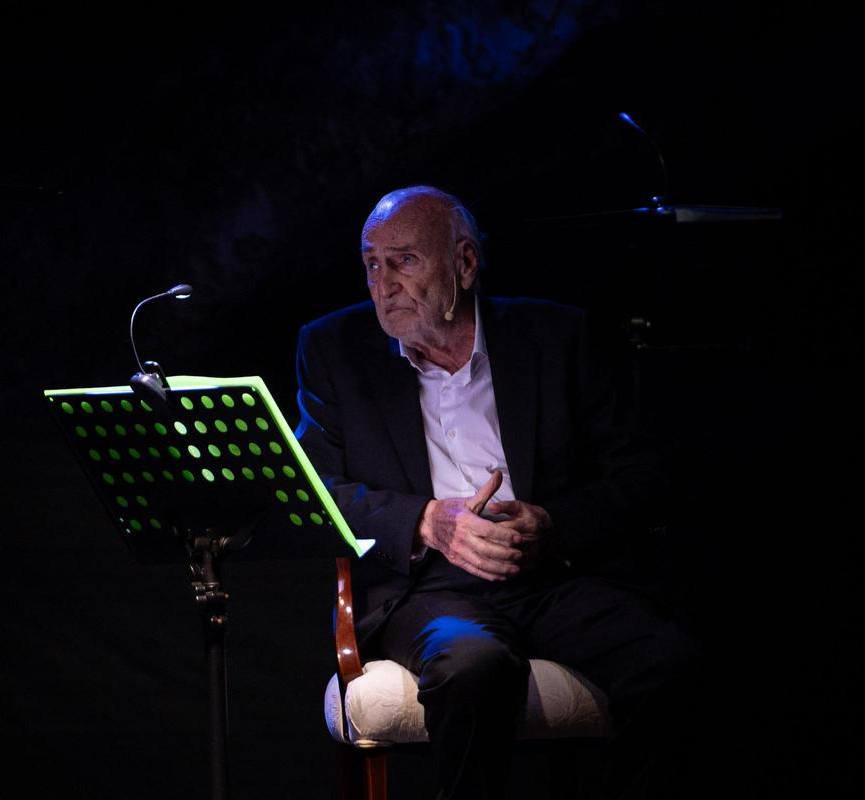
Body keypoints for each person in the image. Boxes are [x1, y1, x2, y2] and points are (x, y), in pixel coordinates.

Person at [295, 186, 698, 799]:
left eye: (404, 261)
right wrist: (428, 521)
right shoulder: (333, 348)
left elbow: (642, 476)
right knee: (473, 667)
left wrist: (552, 524)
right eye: (371, 264)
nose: (383, 284)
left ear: (464, 263)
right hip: (425, 590)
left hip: (550, 579)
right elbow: (317, 489)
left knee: (671, 664)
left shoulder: (558, 336)